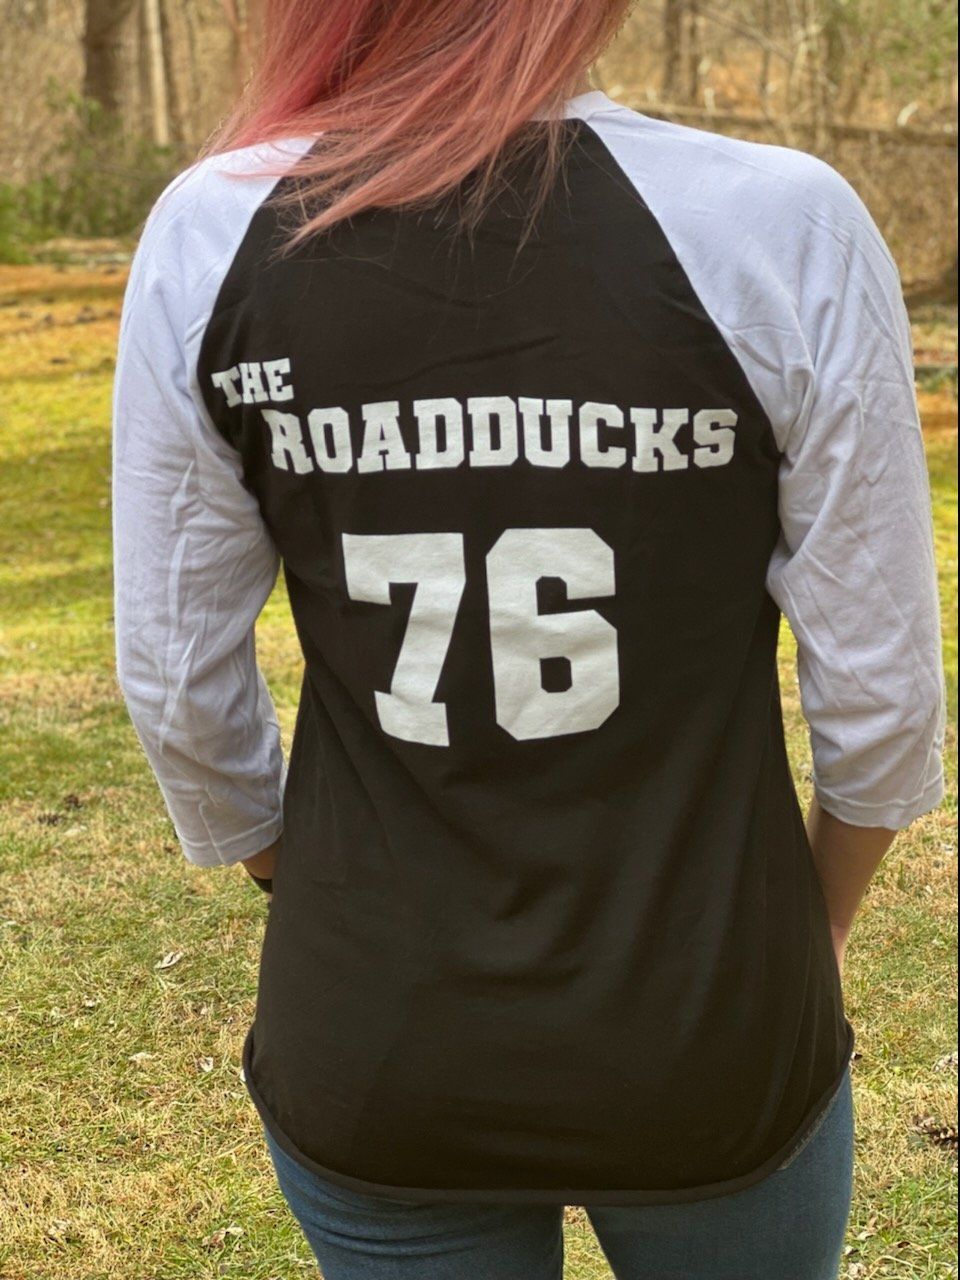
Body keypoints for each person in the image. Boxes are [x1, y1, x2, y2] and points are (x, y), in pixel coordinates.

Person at [111, 2, 946, 1277]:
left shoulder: (214, 230)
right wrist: (811, 928)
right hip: (711, 1019)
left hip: (377, 1032)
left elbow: (178, 688)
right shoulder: (784, 225)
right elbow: (884, 703)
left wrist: (306, 877)